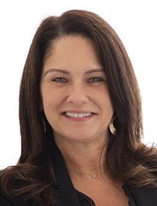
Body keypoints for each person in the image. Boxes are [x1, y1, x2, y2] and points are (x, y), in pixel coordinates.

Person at [0, 9, 157, 206]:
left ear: (120, 90)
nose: (77, 97)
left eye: (95, 79)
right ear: (37, 94)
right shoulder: (9, 195)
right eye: (59, 79)